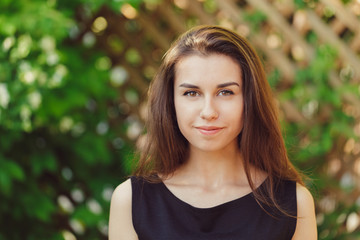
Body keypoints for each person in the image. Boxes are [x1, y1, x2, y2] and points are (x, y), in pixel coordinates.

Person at [109, 25, 317, 240]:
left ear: (250, 100)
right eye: (191, 93)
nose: (208, 112)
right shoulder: (131, 201)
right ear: (171, 102)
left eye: (225, 92)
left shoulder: (294, 205)